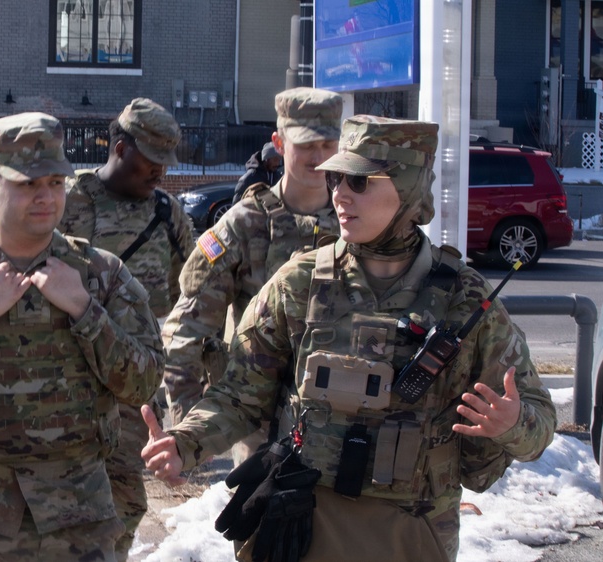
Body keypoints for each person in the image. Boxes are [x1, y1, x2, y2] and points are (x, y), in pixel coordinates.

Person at [142, 115, 556, 562]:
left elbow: (539, 421)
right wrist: (185, 443)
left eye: (358, 182)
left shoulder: (466, 298)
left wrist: (512, 423)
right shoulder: (299, 283)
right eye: (336, 179)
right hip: (305, 524)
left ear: (408, 187)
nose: (339, 194)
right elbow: (240, 396)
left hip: (414, 531)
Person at [0, 112, 164, 562]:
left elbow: (145, 382)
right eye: (27, 184)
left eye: (55, 183)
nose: (45, 197)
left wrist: (84, 310)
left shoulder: (100, 275)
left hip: (80, 514)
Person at [162, 87, 343, 464]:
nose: (318, 157)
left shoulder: (356, 219)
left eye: (328, 144)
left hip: (344, 419)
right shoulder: (244, 225)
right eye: (305, 145)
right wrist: (189, 434)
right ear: (278, 143)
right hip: (260, 423)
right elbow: (186, 331)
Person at [58, 97, 194, 560]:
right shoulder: (68, 201)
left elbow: (191, 292)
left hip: (133, 385)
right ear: (120, 148)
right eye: (151, 160)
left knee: (124, 500)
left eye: (166, 162)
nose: (160, 172)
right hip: (66, 379)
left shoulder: (167, 214)